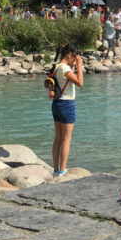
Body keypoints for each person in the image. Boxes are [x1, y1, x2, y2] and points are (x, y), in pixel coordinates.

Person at [48, 43, 83, 177]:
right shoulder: (65, 69)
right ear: (70, 55)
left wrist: (73, 65)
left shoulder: (57, 67)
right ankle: (62, 170)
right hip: (67, 104)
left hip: (57, 104)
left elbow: (66, 80)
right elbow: (80, 83)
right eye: (75, 58)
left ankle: (56, 169)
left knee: (58, 138)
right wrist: (79, 65)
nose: (76, 60)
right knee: (66, 139)